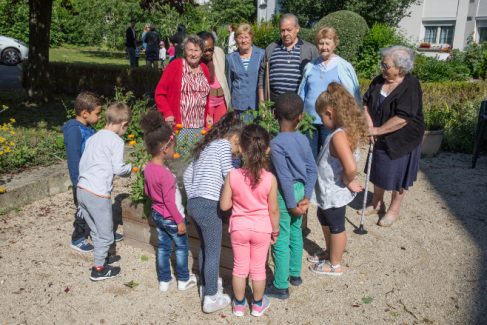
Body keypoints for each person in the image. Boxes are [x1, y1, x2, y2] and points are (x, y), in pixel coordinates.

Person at [183, 112, 245, 313]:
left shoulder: (206, 146)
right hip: (209, 205)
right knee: (213, 252)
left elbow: (186, 173)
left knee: (204, 248)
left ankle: (204, 287)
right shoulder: (224, 145)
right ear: (236, 139)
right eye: (238, 148)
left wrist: (193, 195)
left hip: (193, 204)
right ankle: (211, 297)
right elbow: (229, 174)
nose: (236, 152)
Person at [359, 45, 425, 227]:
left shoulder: (411, 85)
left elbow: (403, 118)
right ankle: (376, 203)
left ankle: (394, 209)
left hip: (403, 139)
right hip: (379, 133)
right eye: (382, 64)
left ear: (401, 69)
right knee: (377, 167)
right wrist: (370, 125)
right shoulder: (379, 80)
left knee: (399, 175)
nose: (382, 68)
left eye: (386, 65)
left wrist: (378, 131)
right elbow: (365, 102)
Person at [220, 124, 280, 317]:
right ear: (267, 150)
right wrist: (275, 230)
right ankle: (256, 305)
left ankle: (238, 305)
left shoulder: (233, 175)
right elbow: (274, 209)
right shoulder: (270, 178)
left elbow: (224, 206)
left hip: (239, 227)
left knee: (239, 267)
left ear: (241, 149)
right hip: (262, 229)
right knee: (258, 269)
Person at [308, 82, 368, 275]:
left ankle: (335, 265)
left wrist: (346, 180)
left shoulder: (339, 136)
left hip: (334, 190)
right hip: (328, 190)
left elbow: (350, 167)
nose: (321, 121)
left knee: (336, 225)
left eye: (321, 117)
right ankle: (330, 251)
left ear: (330, 113)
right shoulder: (343, 132)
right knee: (323, 217)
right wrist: (348, 179)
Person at [265, 92, 318, 299]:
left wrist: (290, 203)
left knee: (281, 238)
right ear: (301, 117)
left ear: (274, 113)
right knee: (296, 233)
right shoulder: (303, 140)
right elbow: (312, 170)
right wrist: (306, 197)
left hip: (283, 194)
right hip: (299, 191)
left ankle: (280, 285)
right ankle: (295, 275)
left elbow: (284, 178)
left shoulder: (276, 144)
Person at [140, 110, 198, 292]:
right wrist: (179, 221)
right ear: (165, 148)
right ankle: (183, 279)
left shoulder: (148, 168)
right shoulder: (166, 175)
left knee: (163, 248)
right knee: (181, 248)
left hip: (157, 215)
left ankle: (164, 280)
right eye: (173, 147)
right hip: (172, 218)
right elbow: (170, 202)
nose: (174, 150)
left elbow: (148, 191)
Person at [77, 102, 133, 281]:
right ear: (123, 124)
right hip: (97, 192)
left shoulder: (93, 137)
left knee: (94, 227)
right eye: (126, 127)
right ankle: (98, 268)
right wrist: (130, 168)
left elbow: (83, 162)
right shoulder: (116, 140)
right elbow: (119, 169)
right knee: (105, 232)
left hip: (82, 189)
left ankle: (105, 257)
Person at [298, 26, 362, 160]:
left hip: (333, 121)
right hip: (310, 121)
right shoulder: (310, 66)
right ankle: (313, 181)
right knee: (310, 157)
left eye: (328, 43)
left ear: (335, 44)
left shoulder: (343, 66)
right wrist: (299, 114)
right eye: (321, 43)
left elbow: (351, 94)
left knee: (331, 157)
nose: (324, 47)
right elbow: (303, 93)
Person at [61, 92, 104, 253]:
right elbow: (74, 159)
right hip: (82, 181)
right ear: (85, 113)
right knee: (82, 210)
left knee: (97, 207)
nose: (100, 117)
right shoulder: (74, 131)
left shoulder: (88, 128)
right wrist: (77, 183)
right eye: (97, 114)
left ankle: (101, 232)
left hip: (93, 178)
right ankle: (77, 238)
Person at [155, 34, 211, 139]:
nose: (193, 54)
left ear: (202, 52)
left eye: (197, 50)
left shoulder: (204, 68)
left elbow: (206, 95)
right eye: (190, 50)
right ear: (185, 51)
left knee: (197, 154)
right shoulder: (174, 66)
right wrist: (167, 113)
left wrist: (208, 113)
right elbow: (159, 93)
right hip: (180, 126)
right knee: (180, 155)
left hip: (200, 126)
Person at [258, 14, 319, 103]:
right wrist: (262, 103)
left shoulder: (310, 50)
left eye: (289, 30)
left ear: (297, 28)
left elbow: (317, 77)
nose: (286, 34)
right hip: (274, 101)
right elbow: (262, 75)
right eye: (282, 30)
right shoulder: (271, 48)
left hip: (299, 101)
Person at [226, 23, 265, 119]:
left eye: (246, 37)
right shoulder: (230, 58)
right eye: (240, 37)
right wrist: (232, 104)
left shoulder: (261, 54)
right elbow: (229, 82)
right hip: (239, 104)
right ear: (236, 39)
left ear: (252, 37)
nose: (243, 41)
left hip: (257, 103)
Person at [197, 31, 230, 125]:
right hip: (207, 103)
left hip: (221, 101)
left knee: (221, 129)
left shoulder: (219, 52)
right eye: (204, 50)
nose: (208, 53)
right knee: (208, 131)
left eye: (210, 49)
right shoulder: (196, 60)